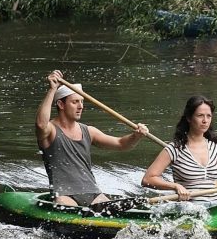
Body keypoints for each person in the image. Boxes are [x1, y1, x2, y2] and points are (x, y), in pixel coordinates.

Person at [35, 70, 149, 207]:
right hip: (64, 195)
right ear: (61, 104)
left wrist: (136, 136)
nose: (81, 106)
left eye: (82, 102)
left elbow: (120, 144)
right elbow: (41, 124)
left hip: (94, 193)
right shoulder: (51, 131)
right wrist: (52, 89)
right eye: (75, 102)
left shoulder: (89, 131)